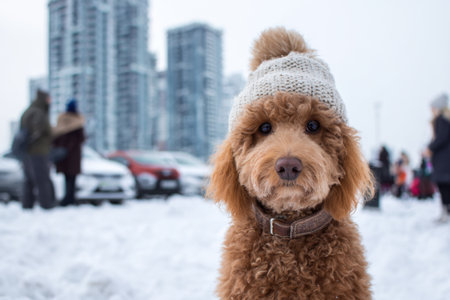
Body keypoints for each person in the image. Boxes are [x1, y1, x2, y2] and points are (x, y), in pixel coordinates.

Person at [19, 90, 55, 209]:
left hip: (28, 152)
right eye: (48, 99)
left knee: (29, 179)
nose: (50, 102)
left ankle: (27, 205)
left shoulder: (29, 111)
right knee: (42, 178)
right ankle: (46, 205)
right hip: (38, 151)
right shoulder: (38, 112)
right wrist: (48, 134)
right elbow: (37, 130)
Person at [52, 99, 85, 206]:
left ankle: (68, 198)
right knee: (71, 178)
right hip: (72, 156)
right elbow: (81, 138)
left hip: (65, 155)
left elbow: (55, 137)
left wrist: (61, 148)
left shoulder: (62, 121)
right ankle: (70, 198)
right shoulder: (78, 122)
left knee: (68, 178)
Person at [424, 93, 450, 223]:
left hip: (443, 162)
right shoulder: (445, 119)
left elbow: (440, 138)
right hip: (445, 161)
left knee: (444, 187)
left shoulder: (441, 120)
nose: (431, 110)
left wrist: (429, 148)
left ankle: (445, 213)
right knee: (445, 187)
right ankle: (446, 212)